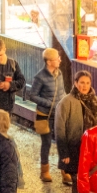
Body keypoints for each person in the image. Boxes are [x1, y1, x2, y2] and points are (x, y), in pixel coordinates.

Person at [57, 71, 97, 193]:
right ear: (75, 83)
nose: (84, 86)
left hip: (92, 151)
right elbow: (60, 129)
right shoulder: (66, 102)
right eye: (81, 82)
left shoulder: (96, 102)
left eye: (87, 83)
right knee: (77, 183)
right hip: (74, 149)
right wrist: (64, 153)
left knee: (88, 184)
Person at [28, 48, 65, 184]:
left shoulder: (59, 73)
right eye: (57, 58)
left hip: (58, 114)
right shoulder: (40, 77)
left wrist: (64, 103)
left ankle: (65, 171)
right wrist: (49, 103)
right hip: (44, 115)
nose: (60, 60)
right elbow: (32, 95)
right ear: (49, 62)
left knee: (62, 142)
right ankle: (45, 171)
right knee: (47, 143)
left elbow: (62, 92)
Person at [0, 39, 25, 114]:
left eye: (1, 55)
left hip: (7, 108)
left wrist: (10, 85)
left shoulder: (13, 64)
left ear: (5, 50)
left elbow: (22, 81)